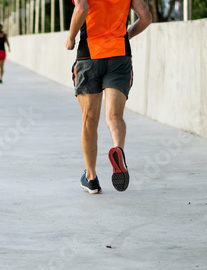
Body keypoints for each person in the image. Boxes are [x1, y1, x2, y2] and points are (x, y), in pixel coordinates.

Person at [65, 0, 152, 193]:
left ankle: (91, 177)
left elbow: (82, 7)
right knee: (114, 117)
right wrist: (125, 35)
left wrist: (71, 37)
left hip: (89, 56)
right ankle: (118, 149)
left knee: (89, 120)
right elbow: (145, 18)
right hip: (119, 55)